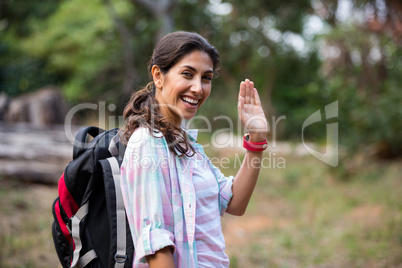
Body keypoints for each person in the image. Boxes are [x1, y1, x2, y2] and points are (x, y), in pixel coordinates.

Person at [120, 31, 268, 268]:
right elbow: (156, 245)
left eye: (206, 78)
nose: (198, 88)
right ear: (159, 76)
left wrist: (257, 140)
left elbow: (233, 202)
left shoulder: (187, 145)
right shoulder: (147, 143)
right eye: (187, 74)